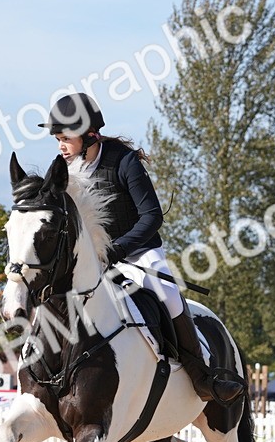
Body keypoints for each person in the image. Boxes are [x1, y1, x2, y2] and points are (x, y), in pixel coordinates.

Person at [41, 93, 243, 404]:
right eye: (58, 139)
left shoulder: (124, 161)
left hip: (137, 253)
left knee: (169, 296)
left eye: (66, 138)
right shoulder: (67, 171)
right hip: (95, 261)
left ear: (89, 134)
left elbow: (152, 217)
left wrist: (118, 250)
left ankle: (201, 375)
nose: (61, 146)